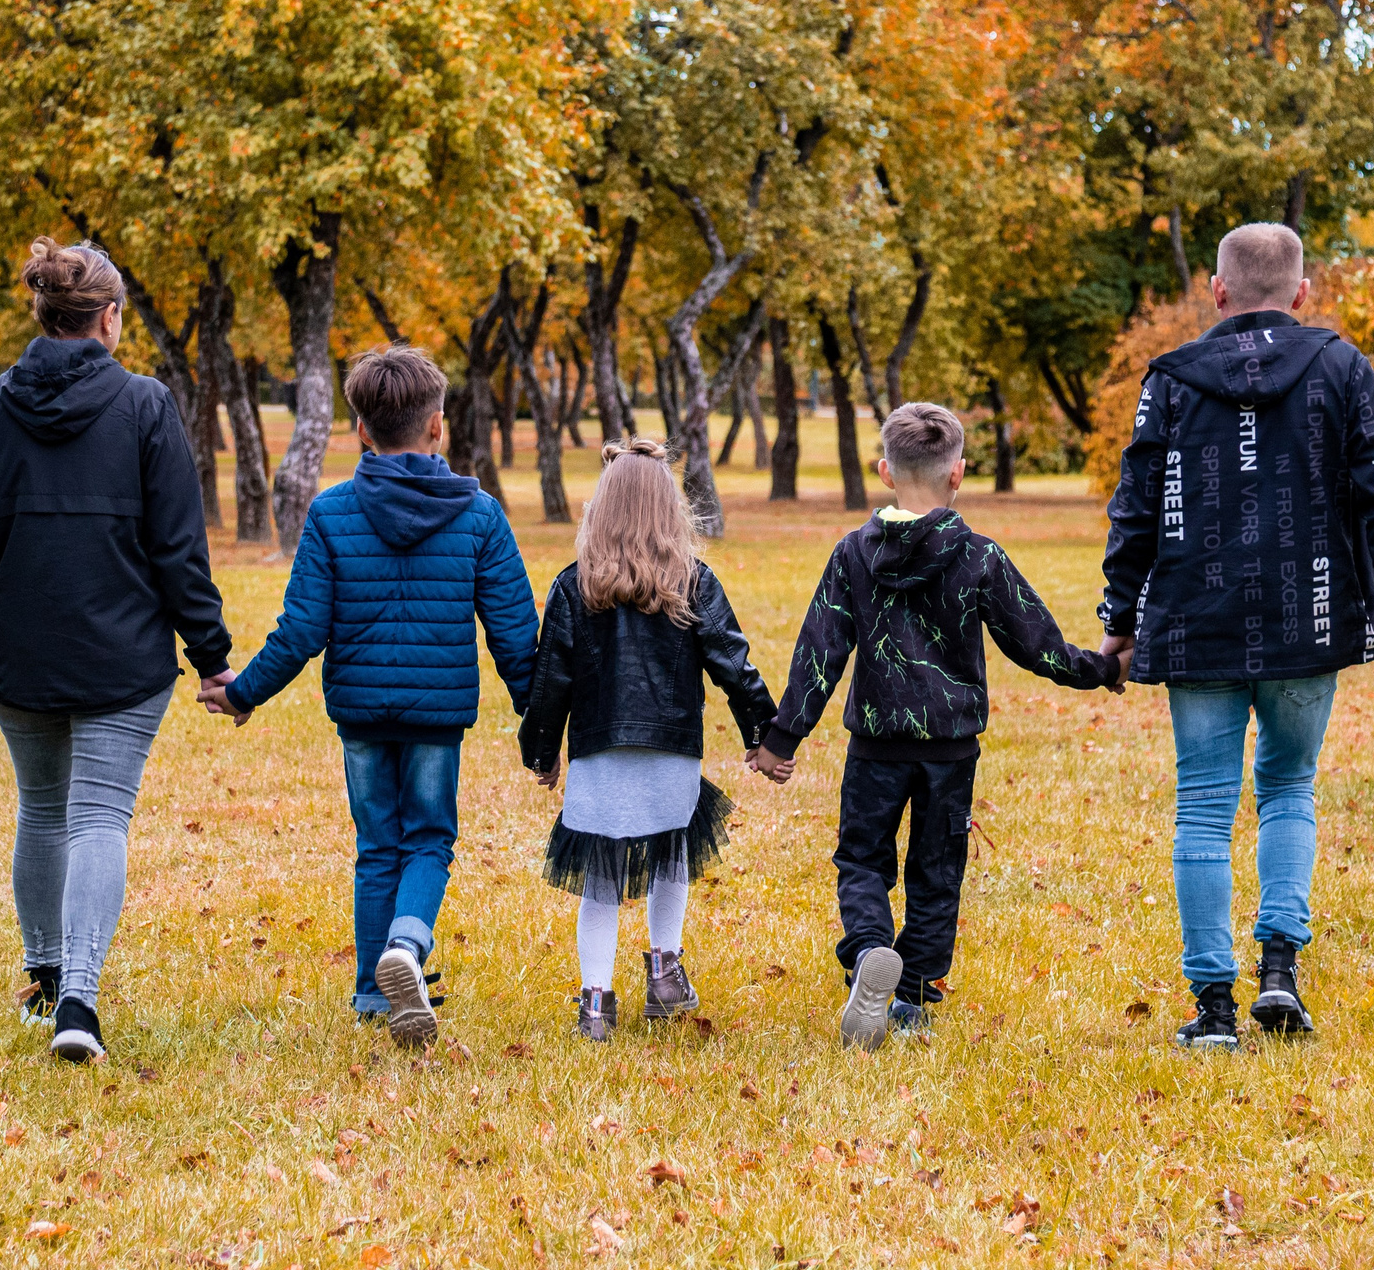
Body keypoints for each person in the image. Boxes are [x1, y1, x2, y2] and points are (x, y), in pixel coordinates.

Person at [1097, 222, 1374, 1051]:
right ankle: (1279, 970)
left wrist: (1120, 619)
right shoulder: (1342, 367)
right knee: (1289, 787)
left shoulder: (1170, 380)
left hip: (1196, 620)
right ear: (1301, 292)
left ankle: (1213, 1007)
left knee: (1204, 807)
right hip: (1306, 617)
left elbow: (1135, 506)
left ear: (1218, 291)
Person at [0, 239, 233, 1066]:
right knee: (97, 816)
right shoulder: (145, 404)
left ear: (44, 313)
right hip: (123, 658)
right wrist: (212, 656)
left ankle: (45, 977)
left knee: (42, 808)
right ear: (109, 318)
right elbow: (179, 548)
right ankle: (79, 1001)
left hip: (20, 653)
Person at [751, 401, 1125, 1050]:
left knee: (862, 859)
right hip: (950, 750)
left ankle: (870, 949)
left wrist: (781, 737)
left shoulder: (852, 555)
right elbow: (1035, 642)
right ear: (958, 473)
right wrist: (1104, 668)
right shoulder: (979, 556)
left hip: (875, 745)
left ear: (884, 471)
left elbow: (820, 650)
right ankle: (913, 996)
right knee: (936, 869)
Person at [201, 343, 537, 1048]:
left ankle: (371, 990)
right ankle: (406, 949)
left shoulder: (332, 513)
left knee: (377, 843)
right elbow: (514, 635)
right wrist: (542, 720)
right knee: (429, 839)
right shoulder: (479, 515)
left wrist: (244, 692)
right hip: (437, 714)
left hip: (359, 713)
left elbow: (301, 629)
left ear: (361, 430)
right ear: (438, 424)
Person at [518, 441, 778, 1042]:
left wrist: (542, 753)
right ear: (671, 510)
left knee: (600, 880)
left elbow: (549, 681)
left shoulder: (573, 587)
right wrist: (764, 734)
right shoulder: (693, 582)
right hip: (672, 753)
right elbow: (733, 663)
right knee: (671, 855)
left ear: (601, 508)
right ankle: (664, 972)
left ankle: (595, 1005)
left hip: (598, 754)